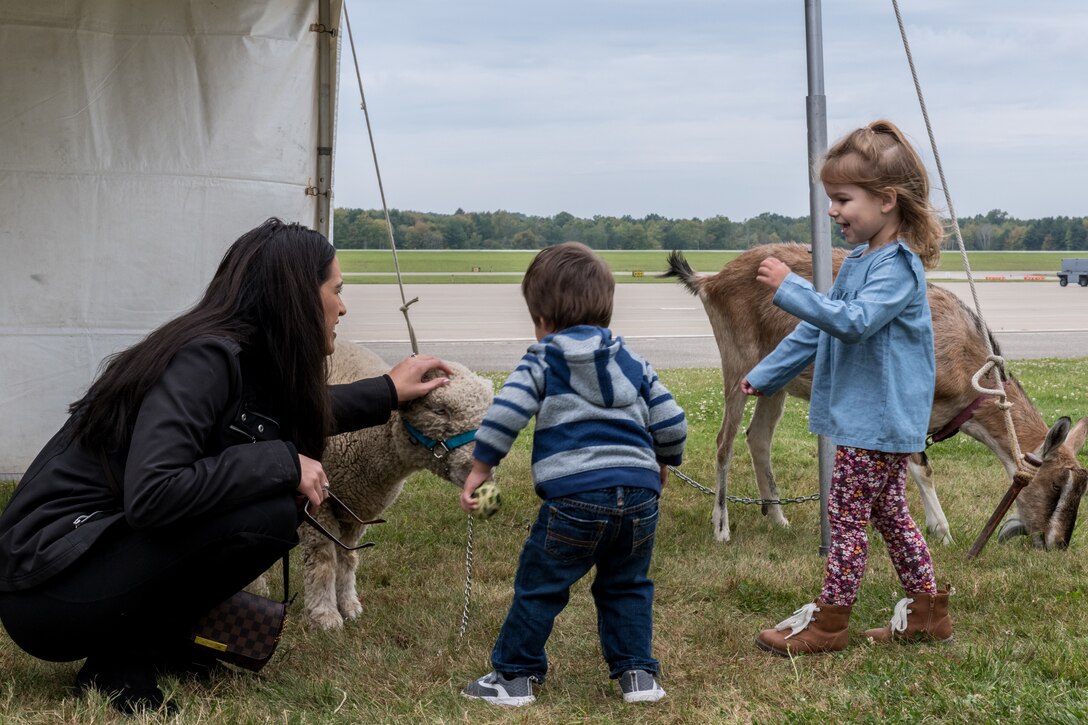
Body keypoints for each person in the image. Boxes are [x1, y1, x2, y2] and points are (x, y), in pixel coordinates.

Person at [0, 218, 451, 713]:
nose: (342, 307)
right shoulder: (205, 358)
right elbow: (153, 493)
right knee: (269, 507)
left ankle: (164, 643)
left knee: (274, 507)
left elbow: (287, 414)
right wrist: (282, 460)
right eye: (336, 290)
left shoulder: (240, 358)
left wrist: (388, 390)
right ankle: (120, 664)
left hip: (80, 567)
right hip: (48, 586)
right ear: (298, 296)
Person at [743, 120, 953, 656]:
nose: (833, 211)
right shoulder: (861, 261)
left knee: (846, 518)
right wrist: (765, 374)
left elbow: (854, 322)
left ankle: (831, 622)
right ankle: (928, 613)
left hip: (878, 419)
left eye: (842, 199)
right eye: (831, 199)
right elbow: (818, 329)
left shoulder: (898, 268)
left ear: (886, 200)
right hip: (868, 418)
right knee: (890, 514)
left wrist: (790, 288)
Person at [457, 242, 687, 707]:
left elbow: (506, 413)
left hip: (576, 498)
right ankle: (639, 677)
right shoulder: (634, 362)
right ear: (606, 308)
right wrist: (662, 462)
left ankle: (513, 677)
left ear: (542, 318)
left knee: (541, 585)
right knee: (627, 584)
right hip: (640, 497)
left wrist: (482, 467)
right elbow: (672, 422)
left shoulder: (544, 358)